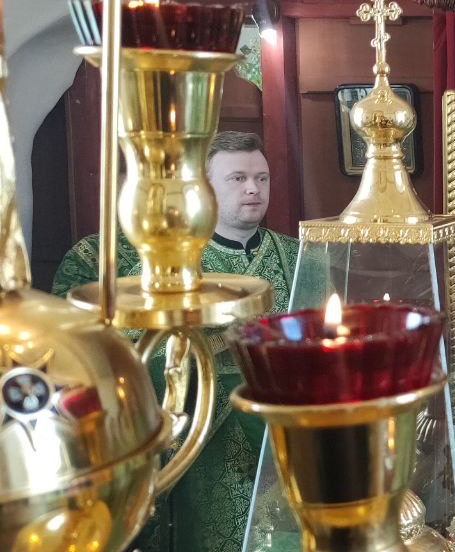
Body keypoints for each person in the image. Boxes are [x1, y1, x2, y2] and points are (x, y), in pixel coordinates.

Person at [51, 131, 299, 552]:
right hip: (199, 453)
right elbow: (92, 348)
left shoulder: (298, 256)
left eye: (262, 178)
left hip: (286, 447)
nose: (254, 189)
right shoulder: (143, 263)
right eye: (237, 178)